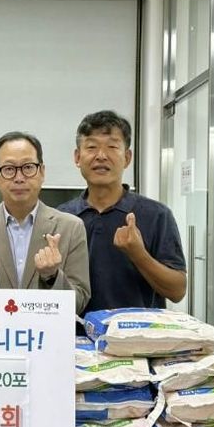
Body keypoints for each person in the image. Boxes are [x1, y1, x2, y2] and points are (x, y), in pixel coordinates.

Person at [58, 110, 187, 315]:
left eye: (112, 147)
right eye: (91, 147)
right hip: (75, 332)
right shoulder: (62, 218)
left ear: (127, 158)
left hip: (137, 333)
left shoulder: (157, 215)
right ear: (77, 157)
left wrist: (138, 254)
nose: (101, 156)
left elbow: (177, 291)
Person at [0, 132, 90, 314]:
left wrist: (52, 276)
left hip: (46, 331)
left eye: (28, 167)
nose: (19, 177)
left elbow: (79, 302)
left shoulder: (71, 228)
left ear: (42, 172)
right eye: (9, 169)